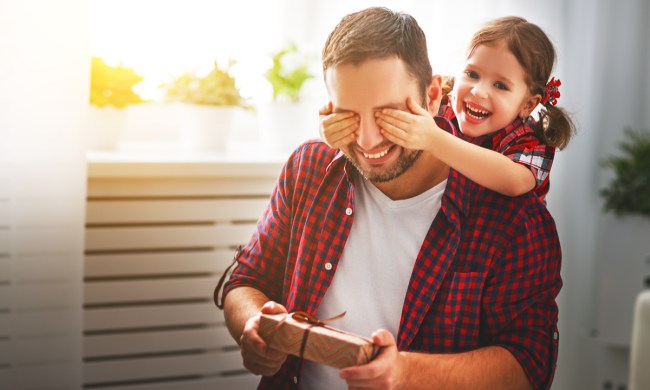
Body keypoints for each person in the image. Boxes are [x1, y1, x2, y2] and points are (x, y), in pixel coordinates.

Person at [217, 7, 561, 390]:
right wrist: (252, 325)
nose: (367, 142)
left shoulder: (513, 216)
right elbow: (245, 281)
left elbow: (530, 366)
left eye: (388, 116)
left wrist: (406, 374)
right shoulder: (309, 168)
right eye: (348, 116)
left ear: (432, 96)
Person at [320, 16, 575, 201]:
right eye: (472, 74)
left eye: (500, 85)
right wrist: (333, 126)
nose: (478, 91)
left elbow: (515, 183)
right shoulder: (439, 102)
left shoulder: (528, 141)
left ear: (528, 104)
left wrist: (434, 139)